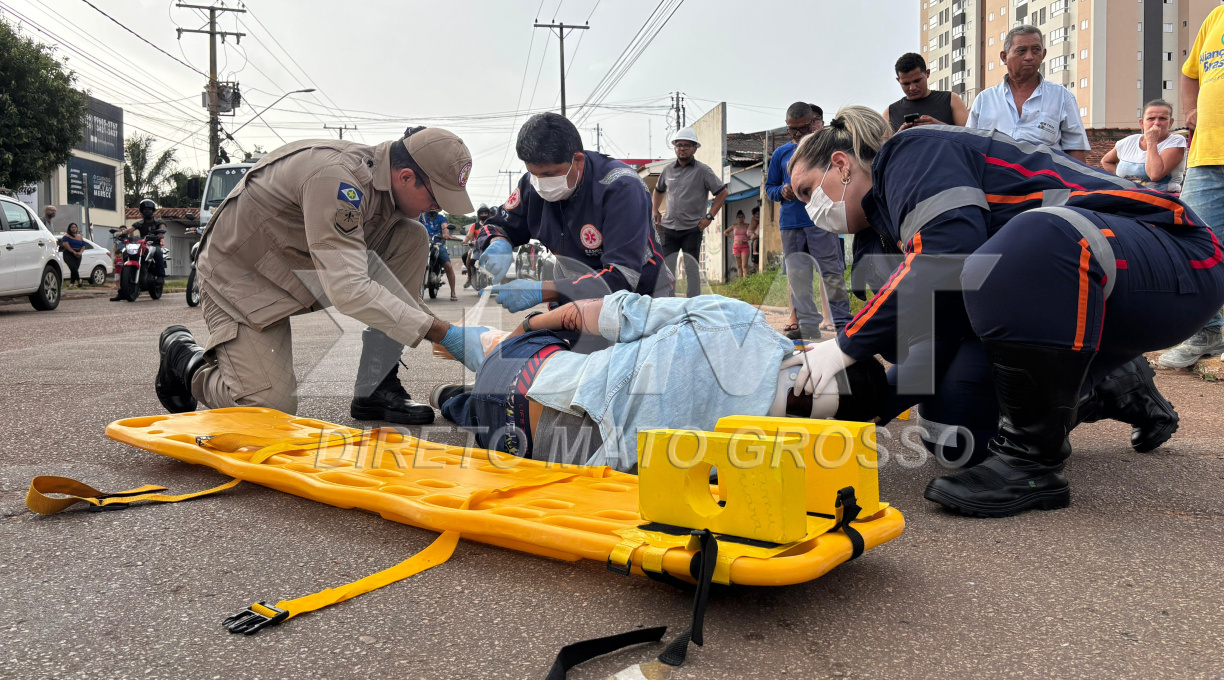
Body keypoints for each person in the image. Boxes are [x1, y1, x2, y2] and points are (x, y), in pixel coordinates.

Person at [786, 106, 1223, 518]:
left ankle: (1035, 466)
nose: (808, 209)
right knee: (956, 435)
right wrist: (867, 405)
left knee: (1033, 235)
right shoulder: (875, 245)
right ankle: (1113, 384)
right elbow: (931, 344)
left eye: (808, 191)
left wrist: (844, 346)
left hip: (1173, 260)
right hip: (1082, 300)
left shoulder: (912, 152)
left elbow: (947, 255)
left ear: (841, 165)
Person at [153, 128, 497, 425]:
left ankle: (375, 387)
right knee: (267, 410)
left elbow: (395, 296)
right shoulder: (337, 179)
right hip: (243, 278)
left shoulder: (385, 191)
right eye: (435, 199)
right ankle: (185, 361)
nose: (436, 210)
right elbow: (349, 290)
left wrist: (448, 332)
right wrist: (444, 333)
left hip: (303, 269)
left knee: (412, 235)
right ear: (406, 176)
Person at [430, 292, 887, 470]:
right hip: (520, 447)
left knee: (537, 343)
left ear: (811, 352)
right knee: (475, 406)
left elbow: (602, 313)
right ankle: (453, 399)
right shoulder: (768, 462)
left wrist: (528, 327)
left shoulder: (738, 322)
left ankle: (458, 346)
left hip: (529, 373)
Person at [475, 112, 673, 315]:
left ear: (578, 160)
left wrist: (542, 290)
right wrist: (497, 242)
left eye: (549, 175)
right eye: (534, 174)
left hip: (638, 303)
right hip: (574, 300)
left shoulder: (621, 188)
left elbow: (621, 277)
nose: (540, 183)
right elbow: (498, 225)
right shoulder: (531, 186)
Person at [1158, 4, 1224, 369]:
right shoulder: (1216, 16)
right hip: (1207, 155)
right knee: (1192, 245)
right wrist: (1191, 109)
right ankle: (1208, 332)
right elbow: (1189, 74)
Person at [765, 102, 852, 340]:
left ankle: (842, 322)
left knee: (831, 272)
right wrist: (781, 191)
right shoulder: (781, 153)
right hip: (791, 223)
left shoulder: (826, 149)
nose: (796, 133)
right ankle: (806, 323)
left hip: (822, 219)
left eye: (801, 128)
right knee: (798, 276)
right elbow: (769, 187)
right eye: (791, 129)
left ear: (812, 122)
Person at [968, 26, 1091, 162]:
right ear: (1004, 57)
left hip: (1045, 181)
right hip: (994, 180)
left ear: (1043, 55)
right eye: (1021, 51)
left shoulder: (1062, 97)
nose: (1029, 57)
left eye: (1036, 50)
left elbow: (1075, 149)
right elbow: (970, 148)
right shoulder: (984, 100)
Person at [652, 127, 729, 298]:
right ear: (675, 148)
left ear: (694, 148)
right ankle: (668, 303)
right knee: (667, 269)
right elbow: (658, 190)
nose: (683, 148)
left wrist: (709, 216)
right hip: (668, 228)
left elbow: (722, 192)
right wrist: (654, 210)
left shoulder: (703, 171)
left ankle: (694, 304)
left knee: (691, 268)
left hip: (692, 229)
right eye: (679, 145)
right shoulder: (668, 170)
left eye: (687, 145)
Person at [1101, 100, 1187, 192]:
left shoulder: (1176, 141)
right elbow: (1106, 161)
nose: (1156, 123)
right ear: (1142, 123)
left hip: (1163, 198)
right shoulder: (1128, 142)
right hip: (1128, 197)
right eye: (1151, 119)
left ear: (1170, 123)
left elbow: (1155, 175)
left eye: (1162, 118)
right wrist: (1124, 181)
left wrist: (1151, 142)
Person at [883, 52, 969, 132]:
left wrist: (940, 126)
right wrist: (899, 136)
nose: (912, 88)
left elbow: (970, 136)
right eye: (906, 84)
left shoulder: (951, 99)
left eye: (917, 81)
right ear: (898, 80)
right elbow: (882, 146)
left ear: (927, 73)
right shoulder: (890, 112)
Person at [111, 198, 166, 302]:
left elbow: (163, 227)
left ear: (153, 211)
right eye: (145, 210)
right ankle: (124, 288)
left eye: (149, 209)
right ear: (141, 211)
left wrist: (161, 234)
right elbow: (130, 230)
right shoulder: (139, 223)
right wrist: (121, 234)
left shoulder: (159, 222)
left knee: (158, 252)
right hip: (143, 243)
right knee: (127, 253)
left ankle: (160, 276)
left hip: (154, 244)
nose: (147, 212)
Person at [420, 208, 459, 301]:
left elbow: (445, 229)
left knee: (448, 265)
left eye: (435, 207)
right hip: (422, 244)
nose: (432, 209)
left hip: (438, 244)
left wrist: (445, 234)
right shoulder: (421, 217)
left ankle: (453, 292)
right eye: (430, 206)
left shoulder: (441, 218)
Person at [462, 204, 492, 288]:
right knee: (467, 255)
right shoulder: (475, 226)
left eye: (486, 213)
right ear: (479, 215)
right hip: (477, 248)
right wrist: (465, 241)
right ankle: (469, 278)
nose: (484, 215)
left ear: (488, 214)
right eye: (482, 213)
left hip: (489, 247)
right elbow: (469, 235)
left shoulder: (491, 224)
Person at [724, 209, 752, 278]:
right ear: (737, 218)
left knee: (744, 265)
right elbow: (725, 232)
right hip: (736, 247)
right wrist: (733, 237)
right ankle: (740, 281)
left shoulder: (747, 226)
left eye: (742, 216)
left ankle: (745, 280)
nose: (740, 218)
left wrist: (748, 239)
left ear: (744, 218)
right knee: (739, 266)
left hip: (745, 247)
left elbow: (753, 235)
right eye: (739, 217)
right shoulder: (734, 226)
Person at [59, 222, 86, 288]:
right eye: (72, 227)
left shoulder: (80, 237)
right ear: (69, 228)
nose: (74, 229)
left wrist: (80, 252)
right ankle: (79, 280)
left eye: (75, 227)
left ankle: (72, 283)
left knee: (75, 269)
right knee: (73, 267)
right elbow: (66, 244)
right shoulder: (66, 236)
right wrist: (73, 251)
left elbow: (83, 246)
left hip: (78, 253)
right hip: (69, 253)